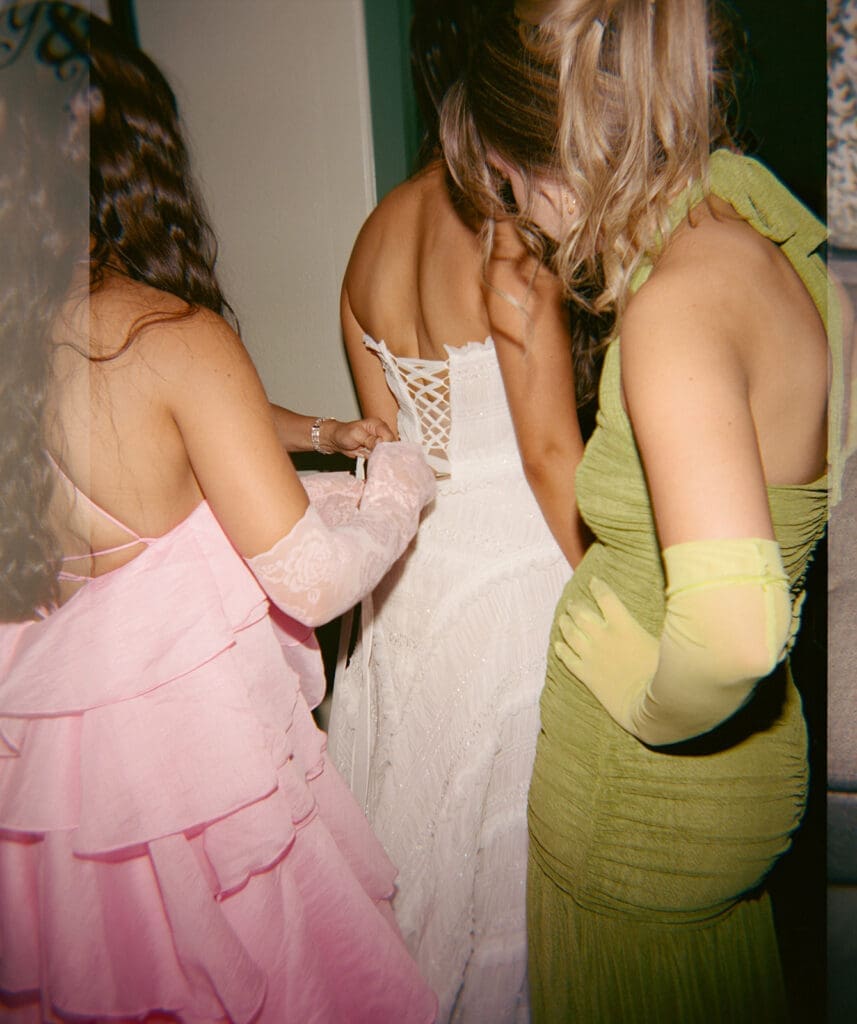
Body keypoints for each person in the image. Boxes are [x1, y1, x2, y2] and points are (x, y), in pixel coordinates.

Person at [0, 6, 438, 1022]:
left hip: (58, 760)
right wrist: (400, 491)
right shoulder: (171, 335)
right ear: (135, 157)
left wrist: (319, 431)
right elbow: (314, 580)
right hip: (187, 762)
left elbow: (143, 430)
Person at [441, 2, 838, 1021]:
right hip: (712, 801)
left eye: (504, 181)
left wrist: (643, 698)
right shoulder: (751, 216)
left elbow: (733, 630)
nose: (520, 212)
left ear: (550, 155)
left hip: (636, 815)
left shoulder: (674, 307)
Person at [326, 2, 590, 1020]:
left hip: (404, 589)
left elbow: (385, 442)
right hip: (514, 582)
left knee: (408, 841)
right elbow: (548, 454)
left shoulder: (369, 239)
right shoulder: (512, 247)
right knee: (500, 879)